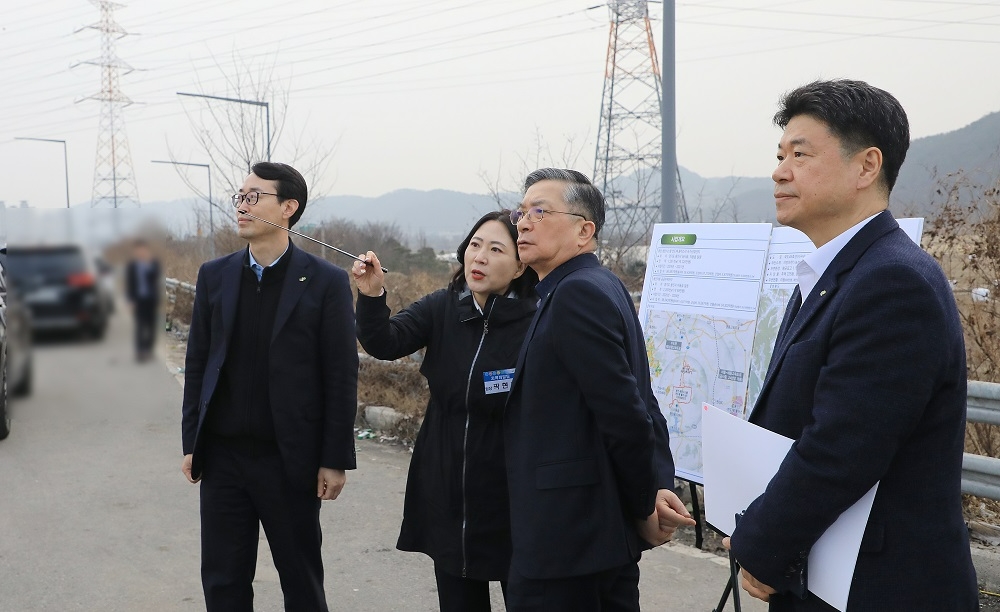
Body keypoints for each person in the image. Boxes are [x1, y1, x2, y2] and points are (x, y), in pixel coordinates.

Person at [724, 79, 978, 610]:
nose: (779, 171)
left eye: (800, 154)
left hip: (883, 585)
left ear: (866, 166)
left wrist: (763, 543)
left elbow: (842, 447)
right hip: (831, 571)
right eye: (779, 155)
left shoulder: (892, 281)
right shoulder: (835, 273)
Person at [504, 168, 695, 611]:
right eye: (521, 212)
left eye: (540, 212)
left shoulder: (576, 295)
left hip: (569, 541)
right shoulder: (594, 285)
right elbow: (642, 401)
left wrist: (644, 508)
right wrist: (654, 486)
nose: (524, 223)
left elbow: (626, 414)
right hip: (586, 538)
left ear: (583, 231)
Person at [180, 161, 359, 612]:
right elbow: (198, 362)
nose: (241, 206)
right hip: (223, 458)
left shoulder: (326, 281)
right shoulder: (215, 275)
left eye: (253, 197)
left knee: (301, 582)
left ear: (288, 208)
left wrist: (334, 459)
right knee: (223, 583)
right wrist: (192, 441)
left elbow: (340, 375)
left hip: (290, 459)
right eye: (239, 197)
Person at [352, 211, 539, 612]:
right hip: (448, 481)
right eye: (475, 245)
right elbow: (385, 341)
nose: (480, 257)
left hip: (511, 489)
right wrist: (371, 295)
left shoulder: (538, 318)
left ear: (520, 265)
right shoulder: (442, 307)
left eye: (496, 249)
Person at [125, 239, 161, 362]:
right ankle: (140, 351)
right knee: (140, 326)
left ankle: (148, 349)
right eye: (138, 250)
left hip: (151, 299)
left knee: (151, 325)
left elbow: (155, 277)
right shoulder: (132, 266)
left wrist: (148, 265)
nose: (140, 252)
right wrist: (130, 301)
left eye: (142, 250)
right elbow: (129, 284)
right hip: (138, 300)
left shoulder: (153, 263)